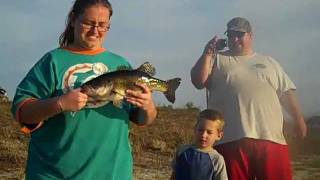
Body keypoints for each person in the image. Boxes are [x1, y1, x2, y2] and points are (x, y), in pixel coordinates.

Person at [11, 0, 157, 179]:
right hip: (54, 174)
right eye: (89, 23)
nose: (95, 31)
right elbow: (23, 112)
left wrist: (148, 106)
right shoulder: (52, 61)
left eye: (102, 25)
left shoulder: (121, 65)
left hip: (113, 174)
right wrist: (60, 103)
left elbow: (141, 119)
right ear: (73, 19)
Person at [190, 17, 307, 180]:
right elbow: (198, 81)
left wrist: (298, 119)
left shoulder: (269, 62)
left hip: (271, 138)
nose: (235, 39)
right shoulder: (216, 59)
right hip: (230, 139)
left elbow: (286, 92)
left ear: (250, 36)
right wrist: (208, 53)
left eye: (239, 34)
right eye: (231, 35)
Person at [170, 109, 228, 180]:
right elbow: (174, 175)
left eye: (209, 132)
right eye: (200, 130)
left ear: (219, 135)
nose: (203, 135)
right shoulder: (182, 151)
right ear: (195, 129)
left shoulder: (217, 160)